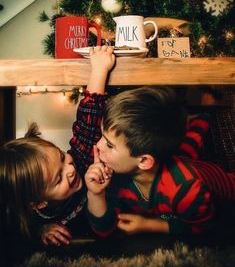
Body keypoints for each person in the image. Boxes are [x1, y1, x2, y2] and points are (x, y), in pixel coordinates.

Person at [0, 45, 115, 247]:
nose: (70, 170)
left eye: (62, 157)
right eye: (57, 178)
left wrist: (99, 70)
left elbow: (88, 121)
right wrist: (40, 231)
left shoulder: (81, 160)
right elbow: (19, 231)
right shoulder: (24, 214)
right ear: (39, 203)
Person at [85, 86, 235, 236]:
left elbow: (205, 227)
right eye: (102, 137)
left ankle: (204, 115)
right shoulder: (116, 175)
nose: (98, 146)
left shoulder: (186, 189)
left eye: (109, 145)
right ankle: (200, 119)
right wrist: (95, 194)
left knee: (189, 148)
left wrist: (151, 225)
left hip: (226, 188)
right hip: (177, 160)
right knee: (188, 146)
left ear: (143, 160)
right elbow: (104, 230)